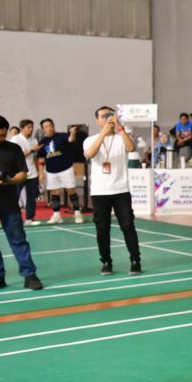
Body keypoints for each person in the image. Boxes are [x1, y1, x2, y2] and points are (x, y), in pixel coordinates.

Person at [83, 106, 142, 276]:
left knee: (128, 226)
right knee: (102, 229)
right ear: (97, 120)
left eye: (111, 115)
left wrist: (120, 127)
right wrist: (103, 133)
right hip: (100, 192)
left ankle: (135, 259)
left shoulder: (121, 136)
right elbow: (90, 153)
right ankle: (106, 261)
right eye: (104, 116)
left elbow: (131, 148)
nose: (108, 118)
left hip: (121, 190)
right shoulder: (90, 139)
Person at [0, 115, 43, 291]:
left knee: (18, 240)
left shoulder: (13, 149)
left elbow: (23, 173)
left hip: (9, 204)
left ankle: (30, 275)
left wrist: (7, 180)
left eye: (2, 135)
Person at [39, 118, 83, 224]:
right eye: (46, 127)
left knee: (71, 191)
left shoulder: (62, 136)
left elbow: (70, 140)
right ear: (43, 129)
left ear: (53, 126)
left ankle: (77, 213)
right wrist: (41, 173)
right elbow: (41, 159)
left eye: (50, 125)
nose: (49, 128)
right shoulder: (43, 142)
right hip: (50, 171)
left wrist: (72, 133)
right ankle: (56, 215)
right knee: (54, 193)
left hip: (66, 169)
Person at [10, 119, 43, 226]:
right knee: (15, 197)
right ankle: (14, 220)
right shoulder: (15, 139)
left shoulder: (34, 140)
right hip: (18, 173)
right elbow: (15, 158)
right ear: (22, 128)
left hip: (32, 173)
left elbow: (35, 158)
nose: (31, 129)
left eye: (32, 127)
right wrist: (31, 150)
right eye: (28, 127)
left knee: (31, 197)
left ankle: (29, 219)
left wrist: (39, 172)